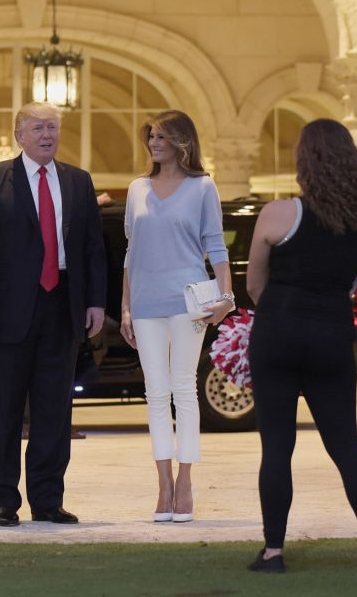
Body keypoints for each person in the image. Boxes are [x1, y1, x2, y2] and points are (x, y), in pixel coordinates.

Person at [244, 119, 357, 573]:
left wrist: (280, 310)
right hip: (332, 335)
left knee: (277, 446)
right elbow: (352, 285)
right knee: (346, 445)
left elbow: (256, 283)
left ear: (303, 162)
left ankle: (273, 552)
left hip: (278, 329)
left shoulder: (277, 213)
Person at [0, 101, 107, 527]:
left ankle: (48, 499)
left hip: (62, 305)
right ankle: (4, 500)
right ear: (19, 136)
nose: (48, 135)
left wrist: (95, 301)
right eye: (39, 128)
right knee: (3, 408)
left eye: (53, 127)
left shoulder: (78, 182)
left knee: (54, 409)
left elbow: (92, 248)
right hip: (6, 310)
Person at [119, 110, 233, 523]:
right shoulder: (136, 189)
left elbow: (217, 250)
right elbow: (130, 254)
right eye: (150, 136)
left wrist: (227, 297)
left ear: (182, 142)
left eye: (162, 136)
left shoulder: (203, 187)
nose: (153, 142)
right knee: (155, 392)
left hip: (190, 301)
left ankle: (185, 480)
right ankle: (162, 483)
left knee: (184, 389)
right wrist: (126, 307)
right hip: (146, 303)